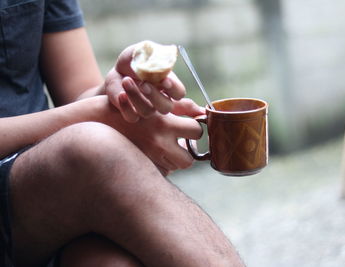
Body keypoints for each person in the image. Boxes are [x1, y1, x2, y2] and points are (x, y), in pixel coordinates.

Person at [0, 0, 245, 266]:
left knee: (109, 261)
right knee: (93, 149)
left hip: (38, 185)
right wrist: (93, 116)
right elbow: (84, 123)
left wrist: (118, 93)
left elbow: (78, 94)